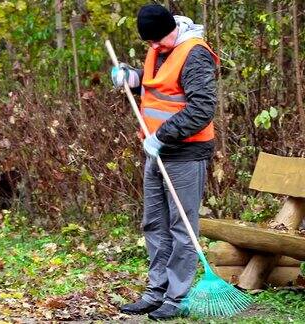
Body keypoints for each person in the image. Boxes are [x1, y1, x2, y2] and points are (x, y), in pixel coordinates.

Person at [110, 4, 219, 321]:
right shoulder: (158, 47)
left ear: (173, 27)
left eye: (159, 40)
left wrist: (164, 136)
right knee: (154, 224)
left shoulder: (194, 53)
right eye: (150, 43)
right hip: (155, 152)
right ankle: (155, 292)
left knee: (181, 227)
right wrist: (133, 78)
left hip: (185, 152)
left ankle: (177, 297)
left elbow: (202, 108)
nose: (155, 47)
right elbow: (157, 84)